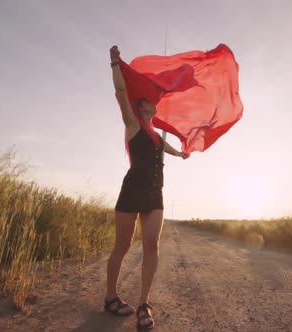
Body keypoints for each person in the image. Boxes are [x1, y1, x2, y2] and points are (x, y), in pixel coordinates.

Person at [104, 45, 190, 331]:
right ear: (141, 107)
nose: (153, 102)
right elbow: (120, 94)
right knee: (123, 246)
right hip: (132, 190)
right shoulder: (133, 123)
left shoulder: (154, 134)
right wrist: (116, 64)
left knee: (152, 244)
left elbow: (162, 145)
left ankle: (143, 303)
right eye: (148, 101)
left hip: (155, 192)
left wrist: (179, 153)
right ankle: (111, 297)